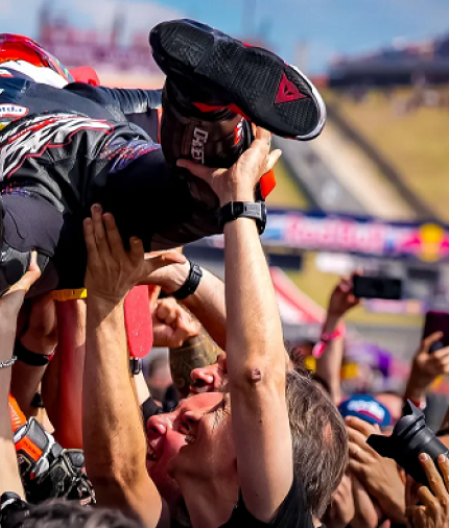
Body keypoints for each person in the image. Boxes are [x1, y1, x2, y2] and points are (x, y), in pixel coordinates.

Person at [0, 19, 327, 430]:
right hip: (98, 141)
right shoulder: (86, 92)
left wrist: (34, 452)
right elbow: (219, 150)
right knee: (208, 192)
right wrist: (232, 143)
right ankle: (205, 104)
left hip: (31, 199)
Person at [80, 128, 347, 528]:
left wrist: (238, 200)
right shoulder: (183, 515)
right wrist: (175, 274)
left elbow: (259, 374)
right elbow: (118, 474)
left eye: (223, 405)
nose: (188, 408)